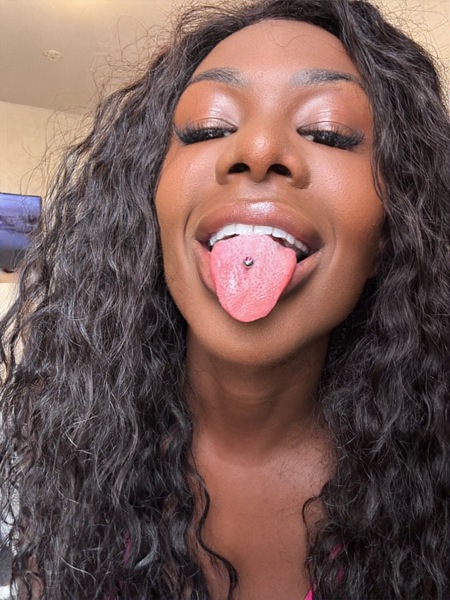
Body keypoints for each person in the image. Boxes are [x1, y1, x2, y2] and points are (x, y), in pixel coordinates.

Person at [0, 0, 448, 598]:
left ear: (395, 228)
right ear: (147, 202)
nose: (257, 150)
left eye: (328, 132)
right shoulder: (59, 454)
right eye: (208, 127)